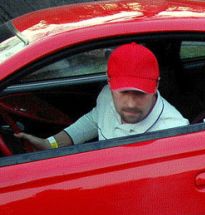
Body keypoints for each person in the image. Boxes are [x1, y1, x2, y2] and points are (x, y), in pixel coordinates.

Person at [15, 42, 188, 150]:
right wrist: (50, 144)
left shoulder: (175, 132)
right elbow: (92, 121)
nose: (130, 103)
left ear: (156, 85)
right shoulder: (106, 95)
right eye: (123, 92)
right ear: (109, 82)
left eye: (140, 93)